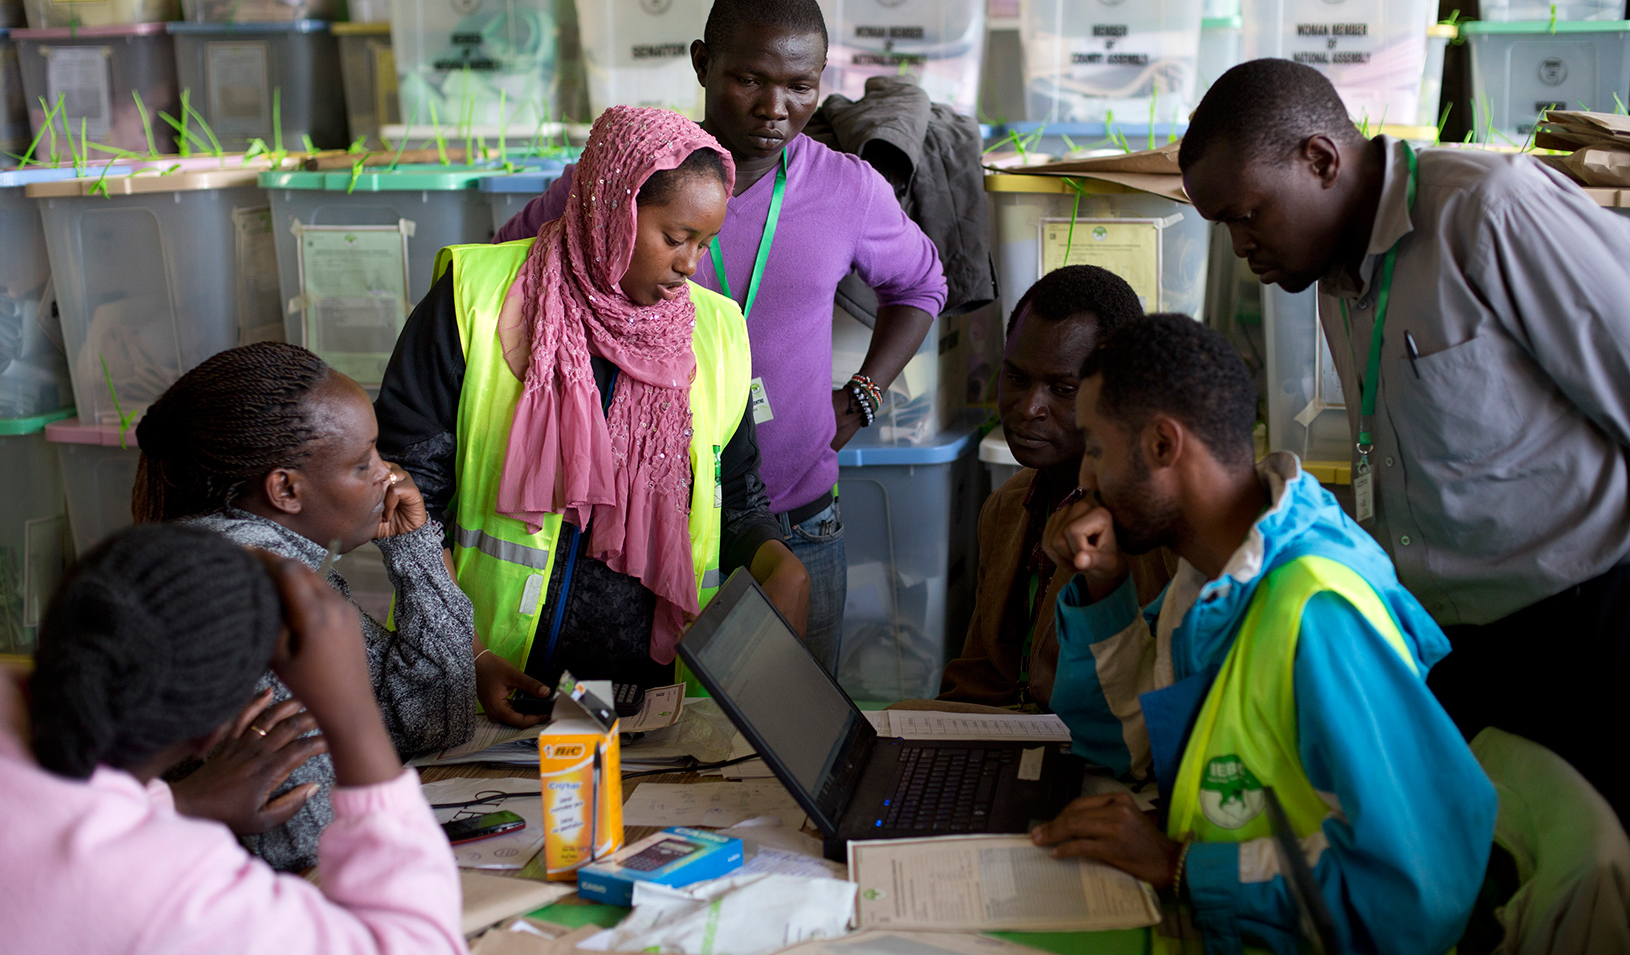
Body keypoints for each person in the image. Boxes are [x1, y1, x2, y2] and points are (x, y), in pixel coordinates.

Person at [1179, 58, 1630, 821]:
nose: (1238, 248)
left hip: (1583, 627)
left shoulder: (1491, 212)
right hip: (1457, 641)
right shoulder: (1334, 276)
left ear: (1319, 160)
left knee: (1590, 876)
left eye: (1247, 215)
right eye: (1221, 226)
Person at [485, 0, 948, 671]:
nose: (774, 108)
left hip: (799, 523)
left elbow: (922, 285)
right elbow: (503, 267)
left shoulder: (847, 190)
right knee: (662, 741)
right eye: (750, 79)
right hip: (640, 527)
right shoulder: (628, 177)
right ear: (703, 63)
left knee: (793, 743)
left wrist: (866, 394)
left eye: (800, 86)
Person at [1032, 315, 1495, 954]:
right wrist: (1105, 587)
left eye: (1096, 448)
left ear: (1164, 445)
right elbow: (1133, 747)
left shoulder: (1320, 611)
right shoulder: (1211, 576)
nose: (1085, 479)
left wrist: (1181, 865)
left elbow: (1412, 893)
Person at [375, 107, 809, 697]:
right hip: (498, 671)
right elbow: (408, 498)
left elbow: (735, 496)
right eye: (675, 239)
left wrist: (776, 561)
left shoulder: (715, 330)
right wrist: (465, 652)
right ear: (613, 209)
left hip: (652, 689)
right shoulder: (477, 297)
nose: (689, 266)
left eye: (705, 244)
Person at [131, 341, 510, 872]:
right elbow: (302, 839)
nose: (391, 476)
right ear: (285, 489)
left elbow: (429, 720)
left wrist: (414, 544)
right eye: (363, 464)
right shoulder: (248, 595)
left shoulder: (279, 562)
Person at [0, 524, 464, 954]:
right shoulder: (177, 890)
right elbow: (420, 942)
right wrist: (351, 715)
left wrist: (176, 802)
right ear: (209, 736)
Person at [937, 265, 1171, 709]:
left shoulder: (1157, 530)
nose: (1028, 408)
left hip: (1102, 747)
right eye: (1017, 378)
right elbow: (976, 673)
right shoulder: (1005, 507)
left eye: (1063, 388)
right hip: (1007, 732)